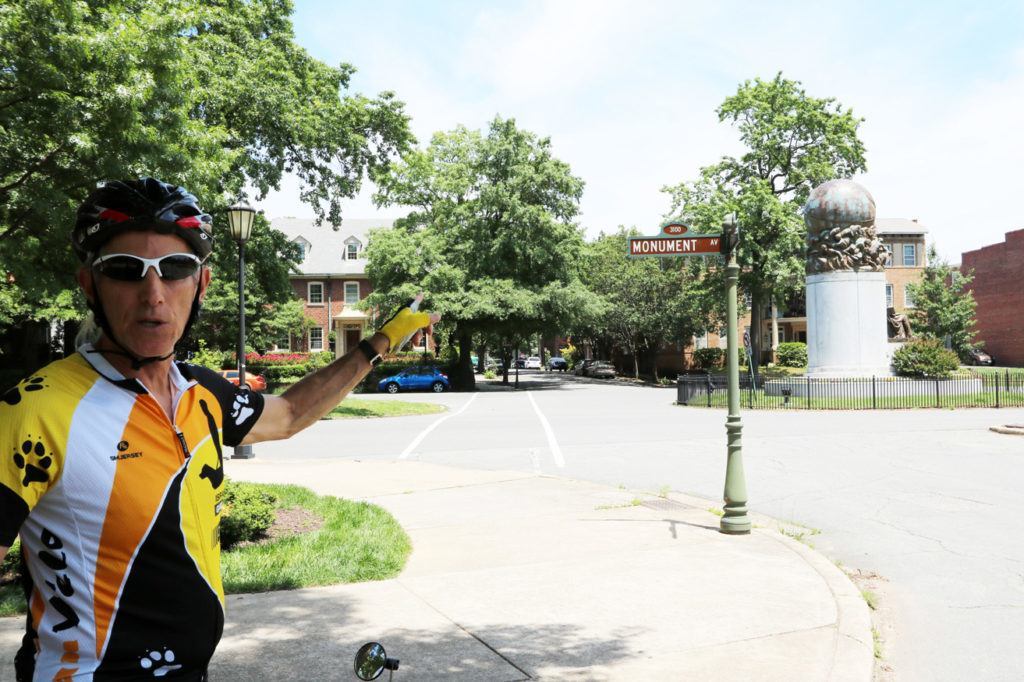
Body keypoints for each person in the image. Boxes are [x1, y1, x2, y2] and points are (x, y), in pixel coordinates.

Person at [0, 178, 436, 681]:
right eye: (125, 271)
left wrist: (379, 342)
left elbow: (290, 413)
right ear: (89, 285)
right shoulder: (34, 411)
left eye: (176, 268)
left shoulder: (201, 392)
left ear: (200, 284)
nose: (154, 295)